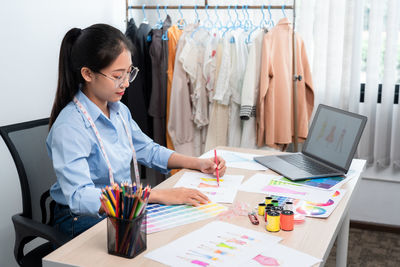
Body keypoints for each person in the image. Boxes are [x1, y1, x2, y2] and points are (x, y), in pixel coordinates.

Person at [46, 24, 226, 238]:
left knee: (188, 226)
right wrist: (157, 195)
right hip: (83, 219)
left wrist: (198, 163)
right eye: (117, 76)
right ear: (87, 74)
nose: (126, 83)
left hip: (123, 205)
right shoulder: (70, 127)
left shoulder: (119, 110)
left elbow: (148, 150)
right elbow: (80, 197)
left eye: (129, 73)